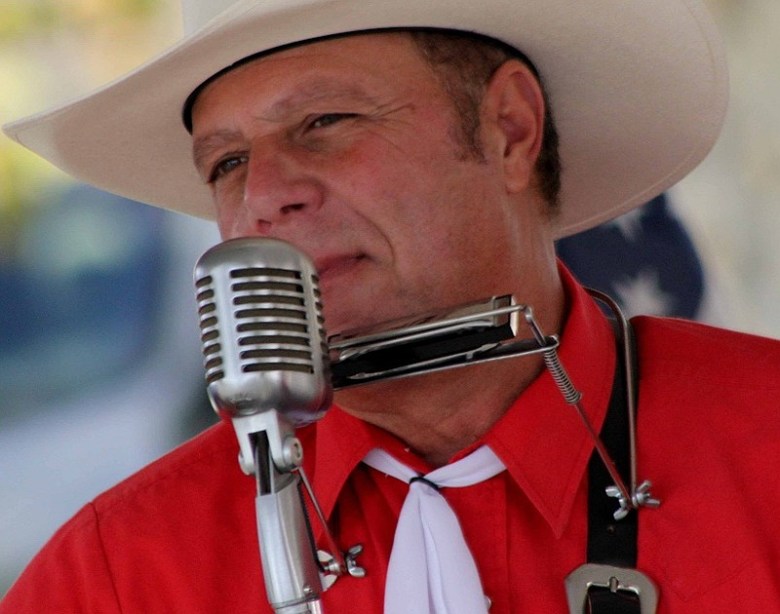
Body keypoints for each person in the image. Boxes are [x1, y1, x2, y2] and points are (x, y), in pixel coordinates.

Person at [3, 1, 779, 612]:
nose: (267, 197)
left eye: (325, 122)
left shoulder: (762, 436)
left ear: (510, 128)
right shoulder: (115, 575)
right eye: (228, 162)